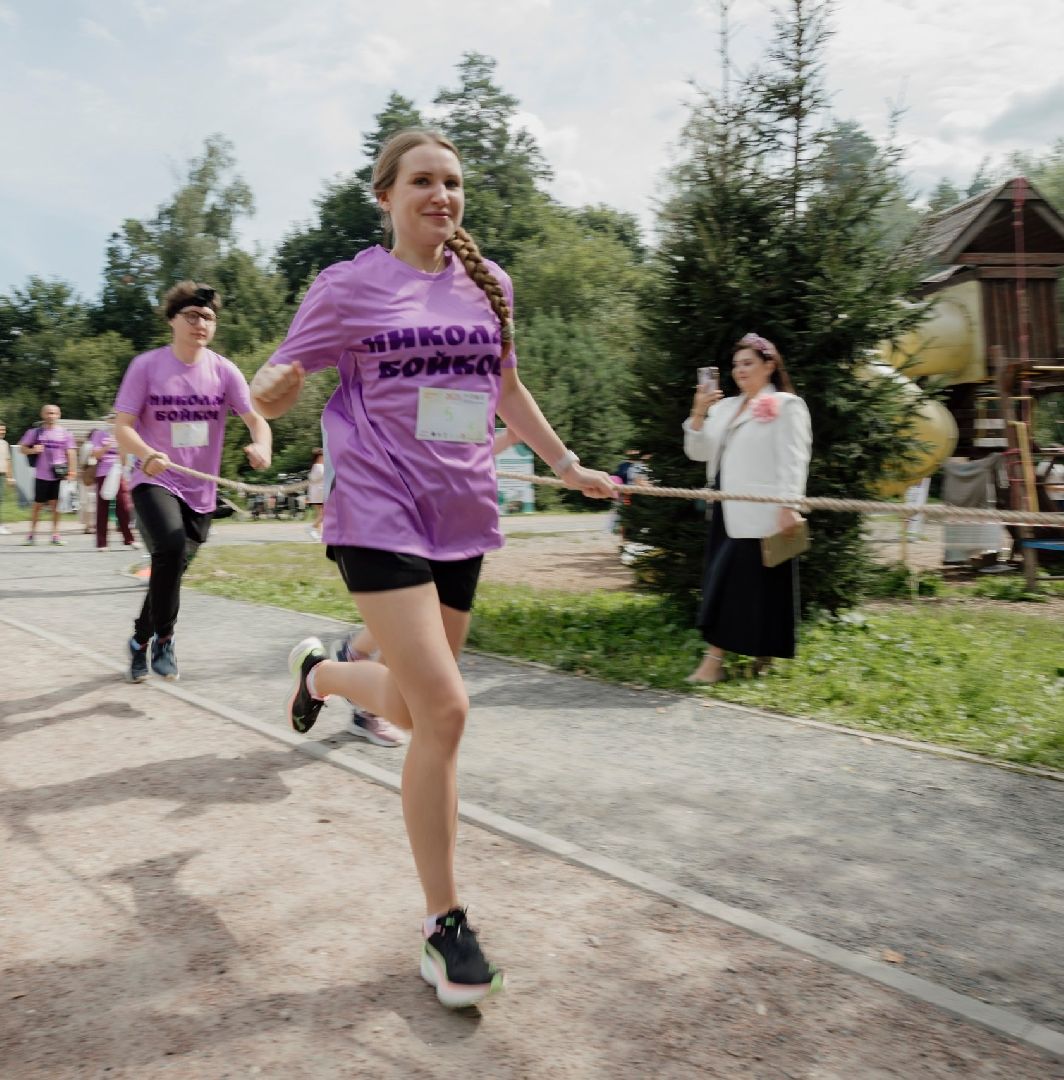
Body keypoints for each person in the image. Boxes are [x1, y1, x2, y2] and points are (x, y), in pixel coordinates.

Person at [249, 130, 615, 1009]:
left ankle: (326, 674)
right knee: (448, 710)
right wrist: (269, 395)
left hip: (461, 518)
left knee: (416, 713)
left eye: (452, 182)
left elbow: (506, 392)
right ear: (386, 195)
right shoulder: (348, 287)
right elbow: (272, 375)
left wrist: (566, 466)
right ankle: (444, 927)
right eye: (422, 181)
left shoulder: (491, 288)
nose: (440, 195)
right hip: (378, 512)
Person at [113, 281, 272, 683]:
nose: (201, 323)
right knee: (167, 550)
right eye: (193, 315)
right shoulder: (147, 367)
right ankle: (165, 638)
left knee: (171, 571)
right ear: (173, 320)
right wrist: (146, 454)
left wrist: (261, 446)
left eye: (209, 318)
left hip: (201, 493)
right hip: (155, 479)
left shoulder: (223, 371)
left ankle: (139, 640)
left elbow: (256, 419)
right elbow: (123, 428)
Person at [329, 425, 522, 748]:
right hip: (387, 513)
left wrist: (529, 443)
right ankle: (352, 694)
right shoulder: (397, 388)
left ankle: (351, 657)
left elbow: (462, 452)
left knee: (418, 618)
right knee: (415, 633)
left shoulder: (466, 387)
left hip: (448, 525)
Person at [683, 332, 812, 683]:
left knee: (753, 584)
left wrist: (789, 505)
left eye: (748, 363)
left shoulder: (787, 405)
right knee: (731, 583)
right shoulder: (723, 407)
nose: (740, 371)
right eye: (736, 365)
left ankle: (713, 662)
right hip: (725, 510)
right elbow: (698, 453)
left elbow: (794, 459)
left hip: (765, 514)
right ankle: (760, 657)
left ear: (769, 365)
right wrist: (698, 412)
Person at [17, 404, 77, 546]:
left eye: (54, 413)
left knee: (56, 506)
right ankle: (31, 535)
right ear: (42, 414)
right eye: (48, 413)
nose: (51, 416)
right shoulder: (35, 432)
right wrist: (33, 450)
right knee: (37, 506)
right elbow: (22, 449)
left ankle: (55, 535)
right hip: (41, 475)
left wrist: (72, 472)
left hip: (58, 475)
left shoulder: (65, 433)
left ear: (59, 415)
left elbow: (71, 453)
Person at [88, 418, 138, 550]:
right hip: (103, 473)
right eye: (111, 418)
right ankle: (102, 543)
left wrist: (123, 450)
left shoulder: (121, 434)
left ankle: (129, 539)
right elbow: (96, 455)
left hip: (118, 472)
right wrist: (107, 446)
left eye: (116, 418)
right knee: (102, 507)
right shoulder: (99, 434)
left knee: (124, 506)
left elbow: (125, 460)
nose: (113, 421)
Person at [306, 448, 325, 541]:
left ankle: (320, 535)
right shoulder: (318, 466)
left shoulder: (317, 466)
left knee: (321, 514)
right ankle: (311, 528)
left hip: (317, 493)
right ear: (319, 456)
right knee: (324, 514)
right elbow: (317, 478)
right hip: (319, 493)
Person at [0, 420, 13, 534]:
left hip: (2, 475)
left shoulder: (5, 444)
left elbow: (8, 461)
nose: (2, 432)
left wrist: (10, 477)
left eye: (3, 430)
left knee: (0, 500)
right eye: (0, 430)